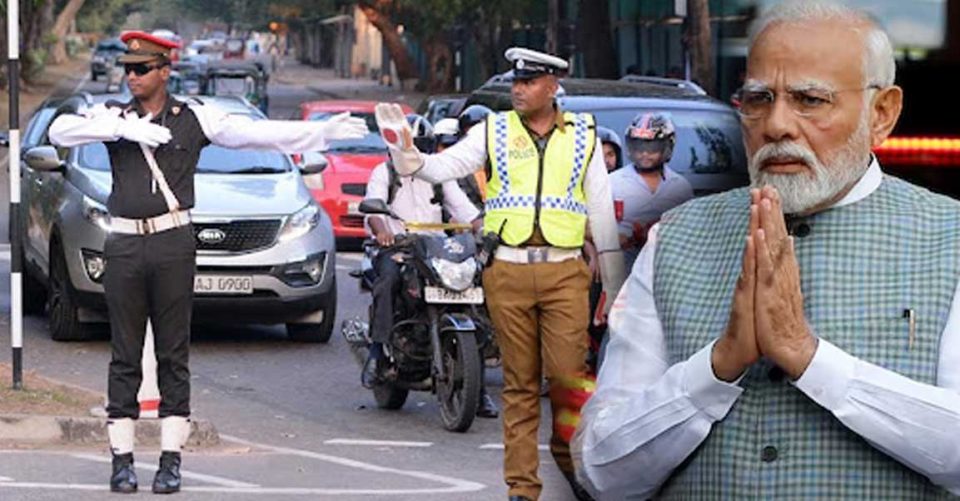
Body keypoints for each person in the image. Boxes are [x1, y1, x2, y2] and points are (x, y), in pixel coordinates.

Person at [573, 1, 960, 498]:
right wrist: (716, 368)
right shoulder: (677, 238)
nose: (776, 125)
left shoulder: (948, 239)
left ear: (881, 114)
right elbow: (603, 473)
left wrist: (811, 360)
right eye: (758, 99)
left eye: (810, 99)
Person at [48, 31, 367, 495]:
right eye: (128, 69)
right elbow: (60, 131)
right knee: (125, 353)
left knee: (173, 351)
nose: (132, 77)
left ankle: (170, 460)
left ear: (165, 71)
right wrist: (121, 128)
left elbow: (254, 135)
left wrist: (318, 133)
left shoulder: (193, 117)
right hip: (124, 242)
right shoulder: (114, 116)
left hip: (172, 240)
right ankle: (122, 460)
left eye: (142, 69)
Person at [375, 47, 625, 501]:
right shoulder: (494, 129)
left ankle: (572, 466)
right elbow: (440, 166)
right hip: (507, 270)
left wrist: (613, 285)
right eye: (515, 82)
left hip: (565, 272)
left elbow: (602, 212)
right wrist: (405, 151)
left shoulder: (584, 135)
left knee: (568, 379)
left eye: (529, 82)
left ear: (553, 86)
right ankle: (522, 489)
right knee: (520, 385)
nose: (518, 90)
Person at [362, 114, 498, 418]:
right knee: (388, 281)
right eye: (407, 149)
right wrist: (382, 232)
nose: (411, 156)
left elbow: (465, 210)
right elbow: (373, 210)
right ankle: (377, 353)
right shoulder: (383, 172)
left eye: (418, 149)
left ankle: (479, 392)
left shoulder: (438, 176)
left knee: (476, 295)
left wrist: (484, 229)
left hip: (437, 250)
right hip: (398, 248)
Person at [610, 112, 693, 270]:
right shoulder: (612, 183)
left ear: (667, 148)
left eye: (652, 148)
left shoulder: (681, 187)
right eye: (639, 148)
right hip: (622, 268)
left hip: (668, 268)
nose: (645, 154)